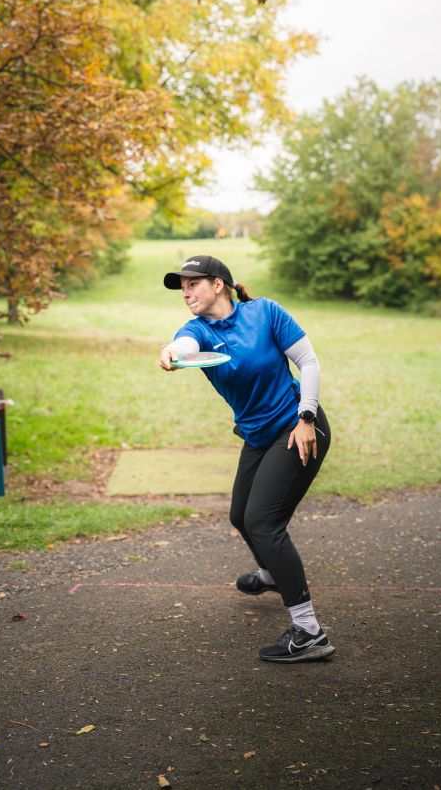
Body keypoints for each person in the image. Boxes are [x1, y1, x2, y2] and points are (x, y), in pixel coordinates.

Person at [159, 255, 334, 663]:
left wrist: (306, 417)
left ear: (218, 284)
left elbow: (308, 362)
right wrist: (170, 351)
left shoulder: (265, 312)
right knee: (241, 516)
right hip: (259, 436)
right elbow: (183, 344)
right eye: (181, 287)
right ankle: (272, 574)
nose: (185, 293)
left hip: (298, 427)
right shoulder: (197, 330)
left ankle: (309, 631)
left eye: (192, 284)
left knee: (263, 523)